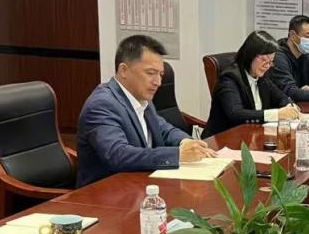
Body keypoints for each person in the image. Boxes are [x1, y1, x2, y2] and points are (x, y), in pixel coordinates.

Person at [76, 35, 214, 187]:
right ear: (123, 70)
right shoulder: (102, 104)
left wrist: (185, 141)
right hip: (105, 192)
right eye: (150, 73)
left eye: (160, 74)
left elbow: (163, 129)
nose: (158, 82)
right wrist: (177, 154)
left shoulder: (140, 97)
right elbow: (118, 155)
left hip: (140, 184)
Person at [203, 31, 300, 139]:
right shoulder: (229, 79)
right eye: (264, 60)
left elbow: (281, 97)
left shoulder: (261, 77)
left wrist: (290, 107)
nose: (267, 66)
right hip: (222, 140)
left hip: (250, 136)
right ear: (250, 54)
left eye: (271, 61)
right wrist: (277, 114)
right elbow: (236, 114)